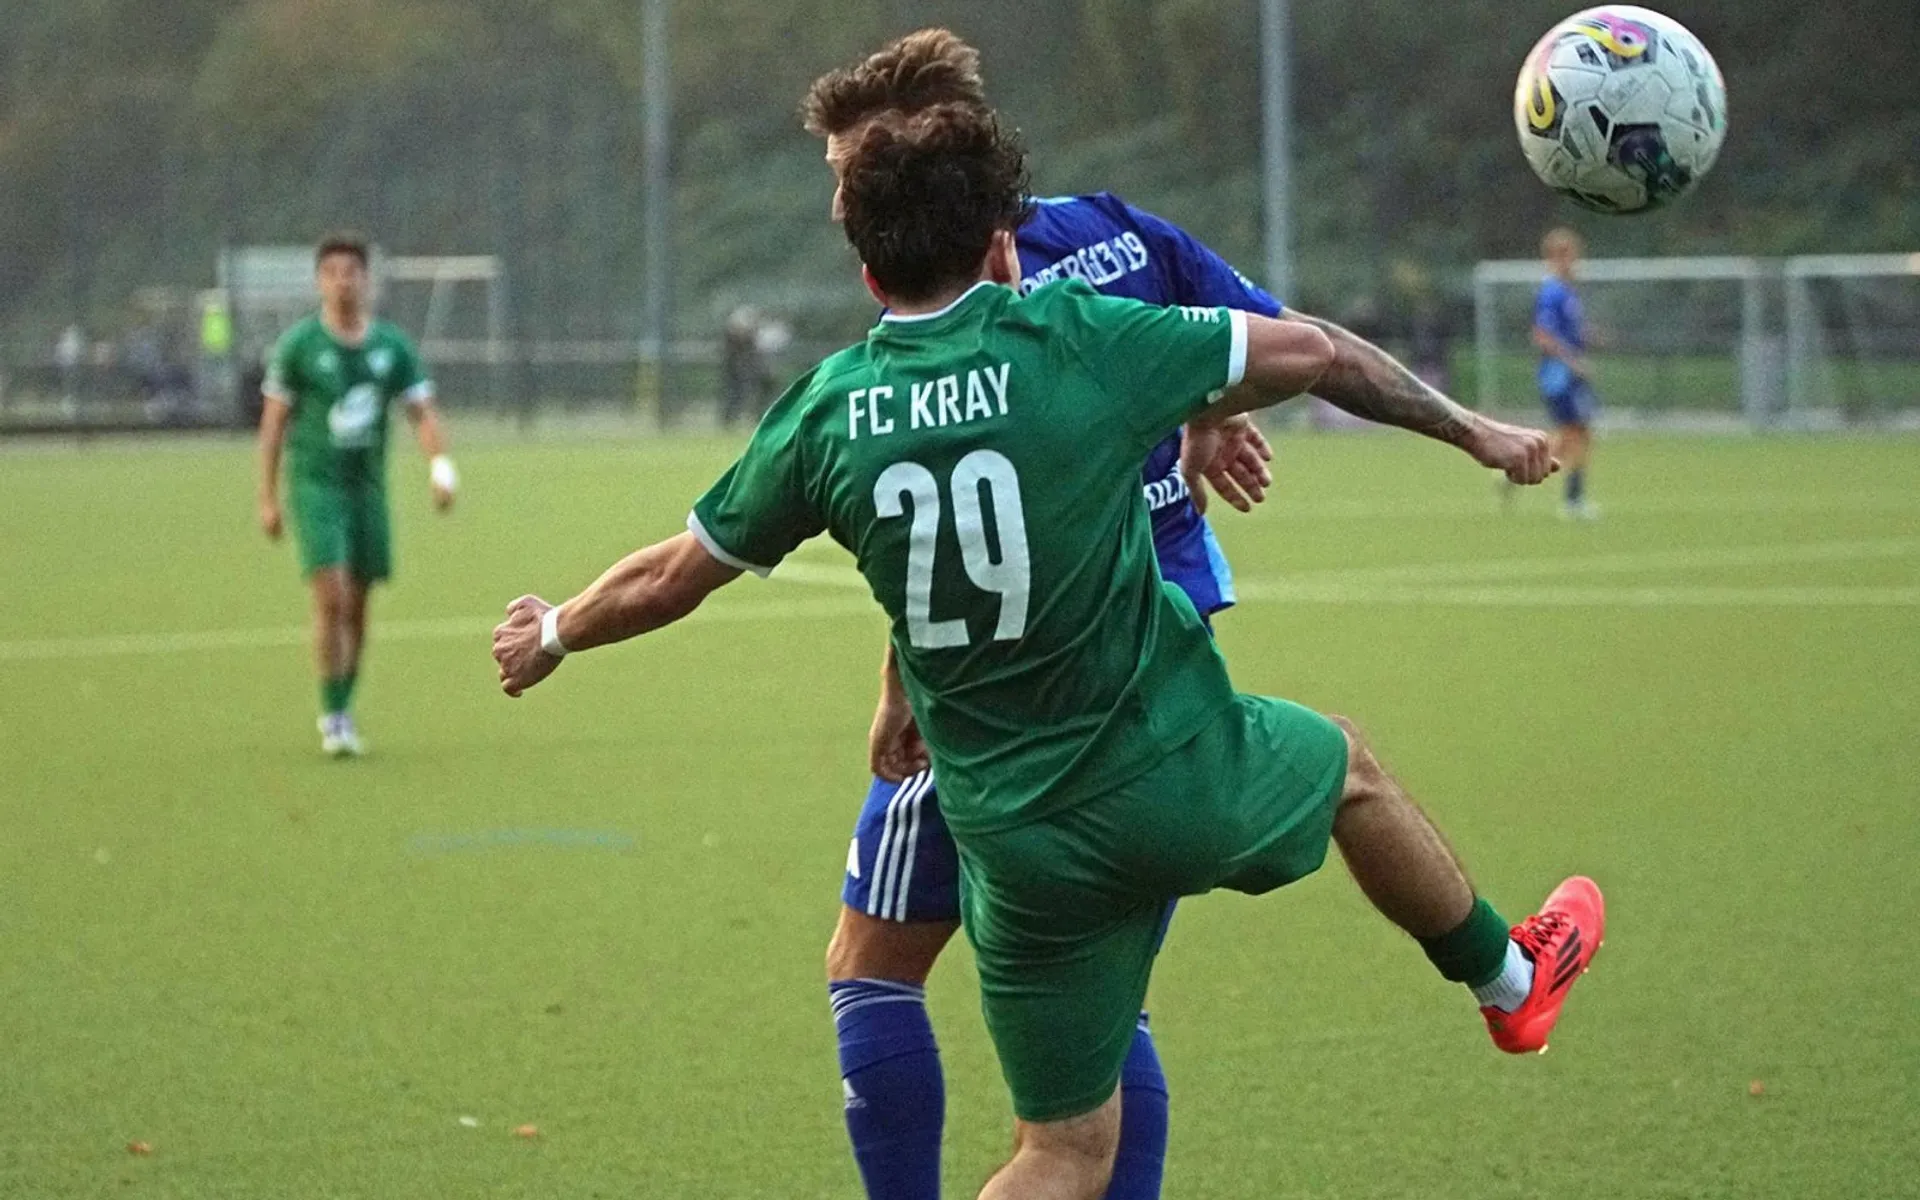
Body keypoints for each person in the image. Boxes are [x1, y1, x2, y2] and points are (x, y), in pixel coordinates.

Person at [493, 106, 1601, 1200]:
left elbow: (670, 575)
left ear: (871, 279)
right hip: (1172, 773)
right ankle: (1509, 979)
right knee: (1349, 769)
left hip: (1014, 842)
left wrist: (550, 633)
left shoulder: (825, 412)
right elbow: (1310, 352)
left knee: (1060, 1153)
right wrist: (1452, 428)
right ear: (1001, 247)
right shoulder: (1076, 341)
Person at [800, 30, 1567, 1200]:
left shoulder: (950, 302)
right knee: (1101, 1014)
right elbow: (1280, 345)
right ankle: (1505, 979)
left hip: (999, 696)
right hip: (1154, 668)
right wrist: (1223, 414)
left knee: (874, 965)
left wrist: (897, 685)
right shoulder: (1116, 235)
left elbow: (951, 527)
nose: (852, 202)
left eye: (858, 172)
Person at [257, 232, 458, 756]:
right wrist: (268, 497)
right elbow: (274, 424)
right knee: (332, 594)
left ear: (367, 280)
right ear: (320, 281)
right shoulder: (300, 346)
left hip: (367, 490)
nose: (343, 281)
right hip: (315, 486)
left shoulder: (391, 347)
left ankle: (344, 702)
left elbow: (422, 412)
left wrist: (440, 466)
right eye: (333, 272)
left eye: (352, 271)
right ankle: (333, 715)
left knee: (360, 604)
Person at [1531, 228, 1599, 519]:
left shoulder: (1568, 293)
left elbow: (1566, 332)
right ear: (1556, 258)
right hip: (1559, 374)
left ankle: (1517, 468)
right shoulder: (1552, 292)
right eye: (1570, 256)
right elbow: (1542, 335)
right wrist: (1573, 361)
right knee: (1576, 432)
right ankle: (1573, 500)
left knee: (1575, 433)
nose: (1575, 262)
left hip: (1569, 372)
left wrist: (1588, 336)